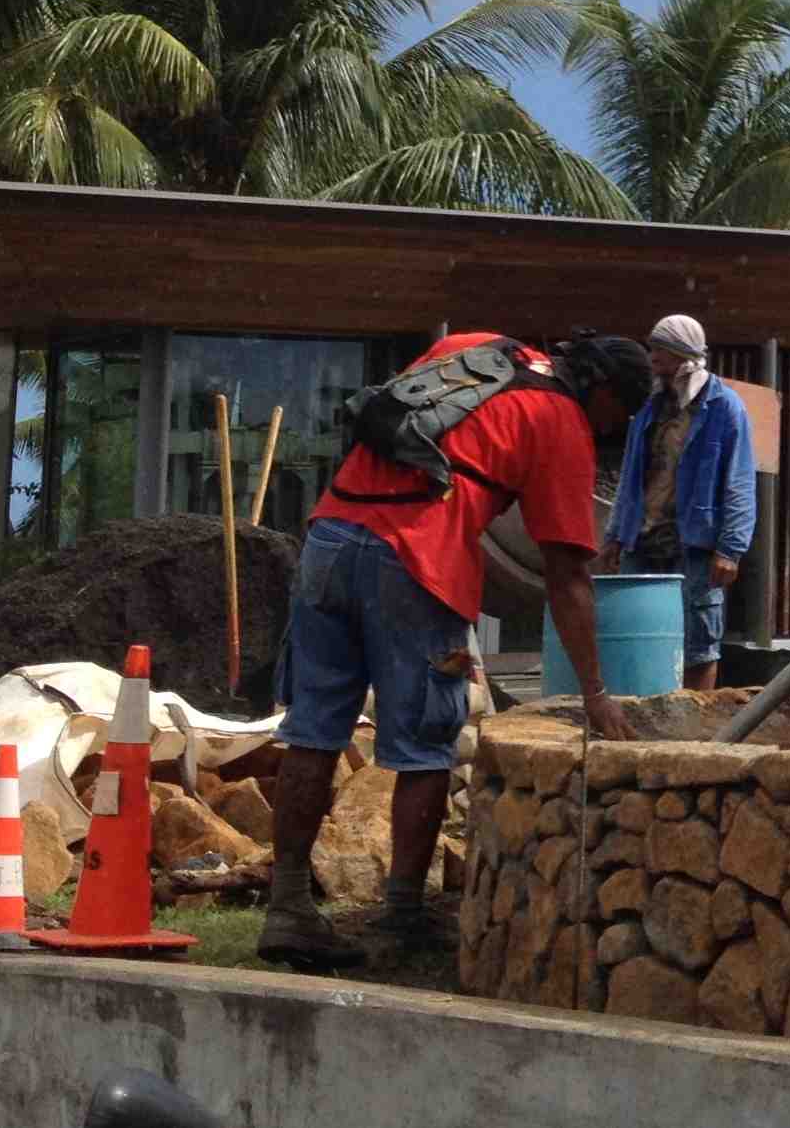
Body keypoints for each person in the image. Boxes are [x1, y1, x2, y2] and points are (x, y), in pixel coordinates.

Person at [260, 328, 649, 970]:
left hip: (331, 538)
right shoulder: (561, 420)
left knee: (314, 733)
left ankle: (288, 907)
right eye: (620, 414)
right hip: (415, 560)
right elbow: (566, 576)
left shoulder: (478, 345)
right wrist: (595, 694)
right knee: (425, 748)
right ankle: (403, 919)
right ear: (603, 391)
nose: (614, 428)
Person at [606, 312, 757, 693]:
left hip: (696, 544)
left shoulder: (724, 406)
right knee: (637, 635)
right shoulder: (650, 406)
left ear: (681, 353)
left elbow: (739, 481)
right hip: (643, 539)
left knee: (698, 643)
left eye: (659, 348)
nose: (652, 356)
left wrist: (731, 549)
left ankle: (695, 734)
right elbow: (630, 475)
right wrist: (614, 536)